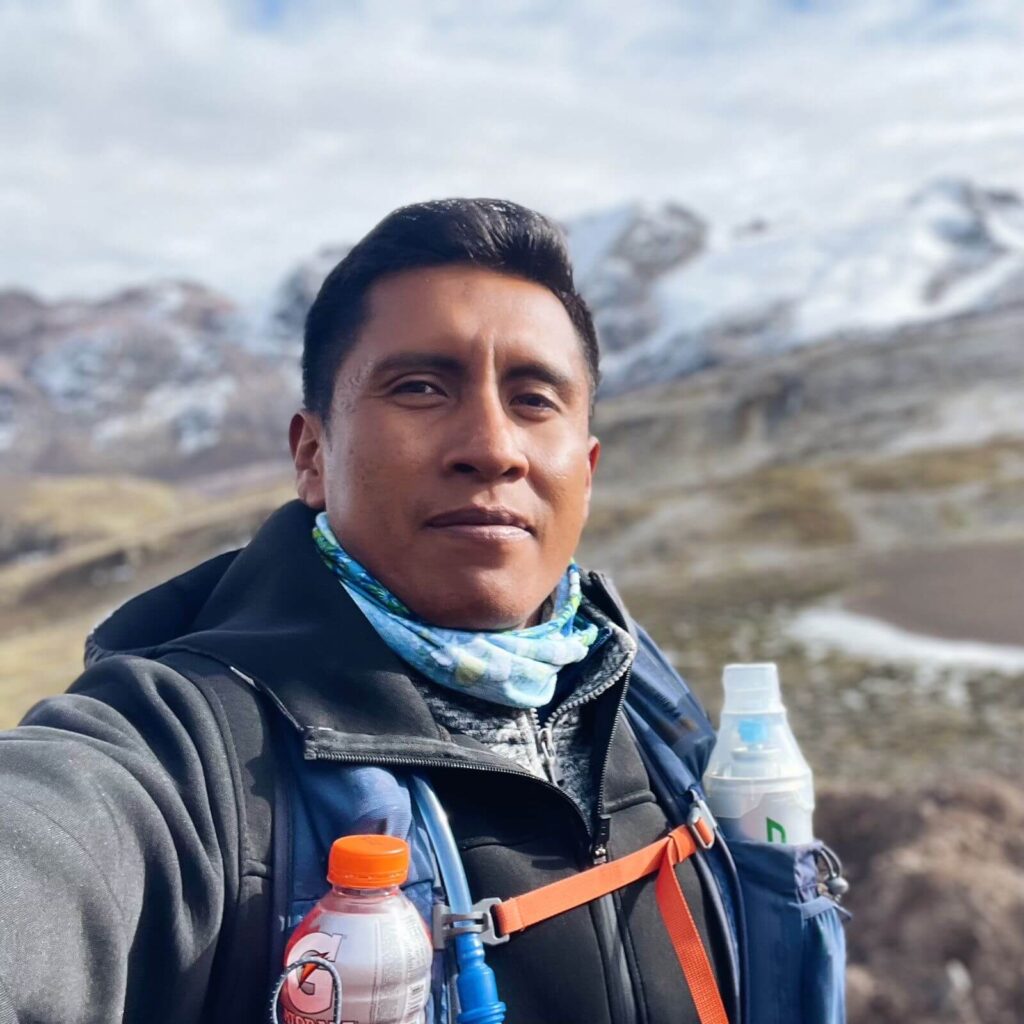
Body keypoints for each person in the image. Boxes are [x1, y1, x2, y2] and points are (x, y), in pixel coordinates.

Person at [0, 199, 735, 1024]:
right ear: (313, 456)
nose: (493, 447)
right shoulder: (187, 747)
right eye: (421, 387)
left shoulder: (648, 709)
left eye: (534, 399)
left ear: (588, 470)